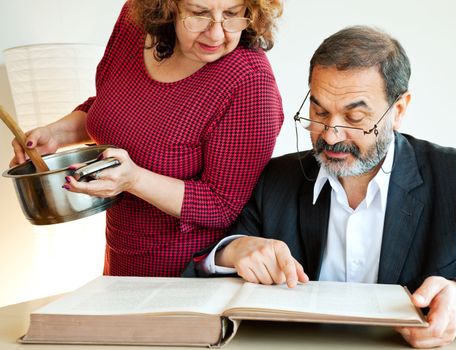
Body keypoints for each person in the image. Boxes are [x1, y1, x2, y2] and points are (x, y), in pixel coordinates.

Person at [184, 26, 456, 347]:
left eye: (354, 118)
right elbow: (201, 269)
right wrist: (232, 251)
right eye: (319, 112)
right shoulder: (276, 179)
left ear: (399, 110)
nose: (331, 135)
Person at [9, 0, 284, 277]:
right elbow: (115, 107)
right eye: (199, 14)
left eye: (232, 14)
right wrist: (55, 134)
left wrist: (135, 180)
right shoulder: (135, 23)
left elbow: (222, 206)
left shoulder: (250, 81)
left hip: (188, 279)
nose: (216, 33)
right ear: (167, 7)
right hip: (118, 265)